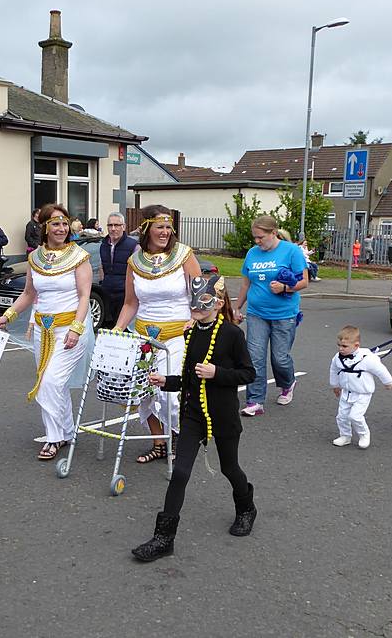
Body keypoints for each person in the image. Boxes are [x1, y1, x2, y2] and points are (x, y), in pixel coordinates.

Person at [131, 275, 257, 562]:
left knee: (230, 468)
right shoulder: (190, 334)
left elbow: (249, 374)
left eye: (204, 302)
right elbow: (189, 378)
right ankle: (164, 538)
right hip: (193, 414)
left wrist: (218, 374)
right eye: (194, 302)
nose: (196, 308)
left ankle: (246, 507)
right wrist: (167, 381)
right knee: (180, 472)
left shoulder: (232, 334)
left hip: (222, 415)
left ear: (218, 303)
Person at [0, 204, 92, 460]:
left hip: (69, 329)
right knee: (54, 384)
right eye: (55, 224)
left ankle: (54, 437)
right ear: (44, 227)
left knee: (50, 382)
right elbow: (28, 294)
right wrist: (7, 316)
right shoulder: (35, 257)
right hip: (42, 331)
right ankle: (66, 431)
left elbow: (84, 296)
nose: (61, 228)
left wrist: (76, 328)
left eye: (64, 223)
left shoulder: (79, 255)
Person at [114, 205, 201, 463]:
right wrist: (117, 330)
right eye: (159, 227)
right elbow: (131, 303)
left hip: (176, 336)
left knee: (169, 394)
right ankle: (159, 443)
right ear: (146, 229)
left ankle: (182, 439)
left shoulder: (184, 255)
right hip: (144, 338)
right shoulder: (134, 262)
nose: (164, 232)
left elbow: (200, 294)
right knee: (145, 393)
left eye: (168, 227)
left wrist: (195, 318)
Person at [233, 215, 308, 417]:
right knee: (255, 358)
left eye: (260, 237)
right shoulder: (252, 253)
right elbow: (246, 284)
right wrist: (237, 307)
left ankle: (288, 382)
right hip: (257, 313)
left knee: (280, 359)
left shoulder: (292, 251)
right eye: (255, 238)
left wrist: (285, 287)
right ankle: (255, 400)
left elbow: (304, 282)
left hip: (284, 314)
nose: (257, 242)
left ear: (273, 233)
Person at [328, 325, 392, 449]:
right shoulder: (337, 358)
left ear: (356, 345)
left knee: (355, 416)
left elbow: (380, 370)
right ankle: (345, 436)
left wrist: (387, 382)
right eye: (339, 345)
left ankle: (364, 434)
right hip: (346, 392)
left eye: (345, 346)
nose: (341, 349)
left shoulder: (368, 359)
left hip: (362, 393)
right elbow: (333, 370)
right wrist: (335, 385)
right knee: (342, 416)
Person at [99, 212, 137, 326]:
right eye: (110, 225)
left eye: (117, 225)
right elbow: (102, 266)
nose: (113, 229)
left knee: (122, 328)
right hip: (107, 294)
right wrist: (103, 282)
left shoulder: (133, 245)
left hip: (125, 296)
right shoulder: (103, 244)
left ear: (123, 227)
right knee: (108, 329)